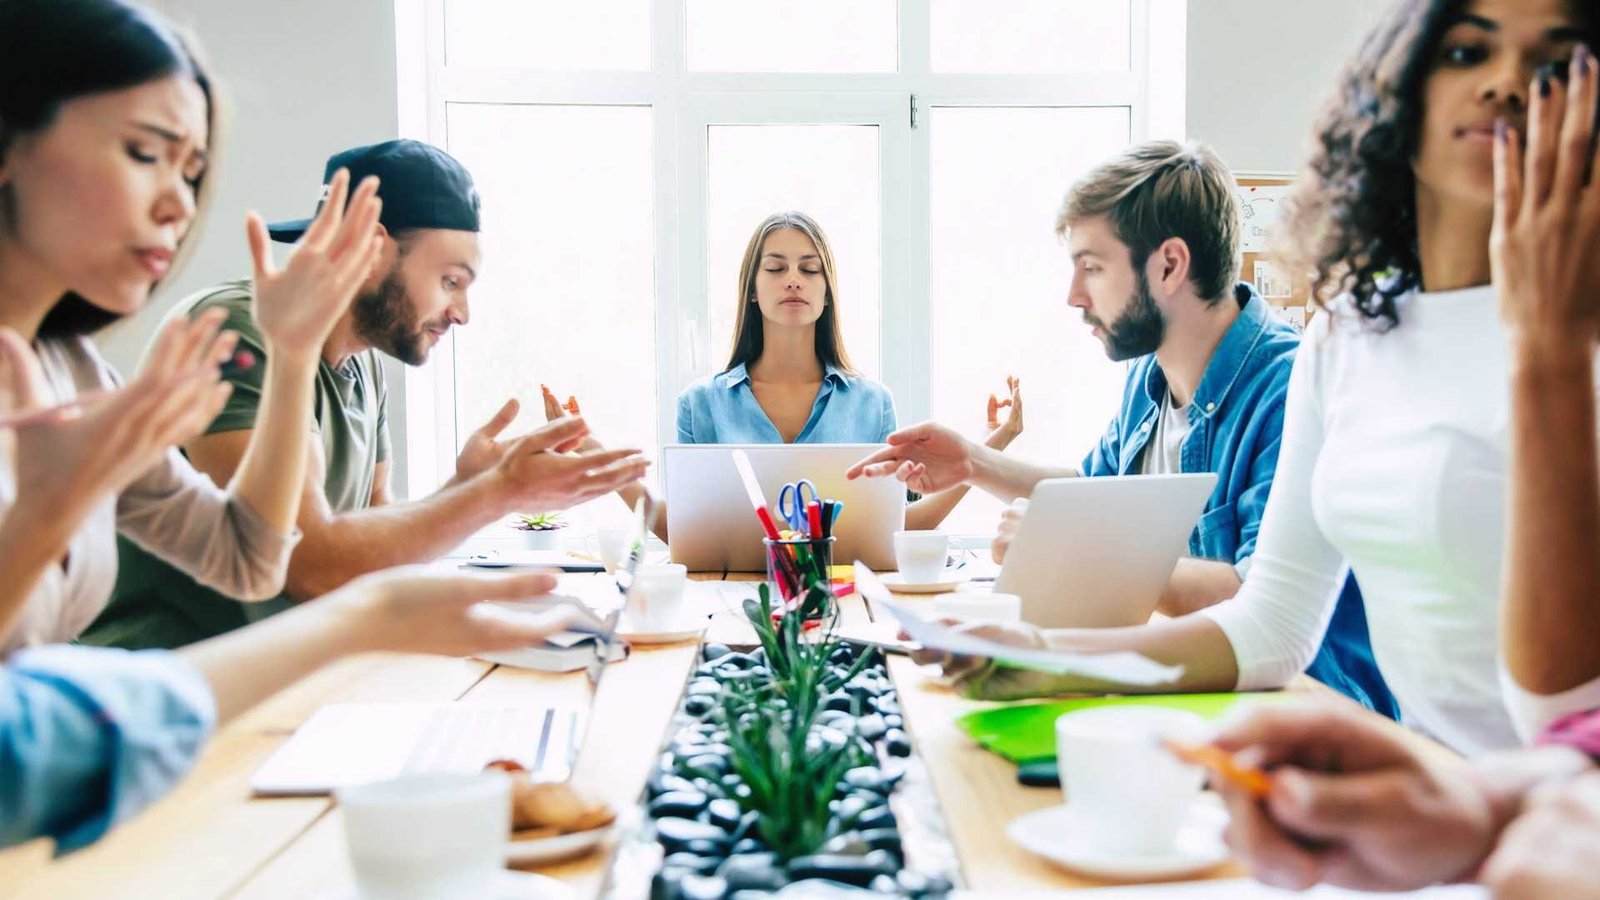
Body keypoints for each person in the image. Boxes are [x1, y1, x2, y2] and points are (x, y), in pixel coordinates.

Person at [1210, 28, 1600, 898]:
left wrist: (1547, 350)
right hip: (1464, 818)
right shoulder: (1347, 329)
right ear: (1398, 93)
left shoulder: (1564, 338)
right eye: (1468, 51)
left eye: (1551, 65)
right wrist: (1048, 654)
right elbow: (1273, 616)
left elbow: (1565, 712)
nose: (1506, 85)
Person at [851, 142, 1393, 717]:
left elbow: (1261, 603)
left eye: (1092, 267)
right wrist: (974, 463)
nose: (1073, 295)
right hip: (1192, 692)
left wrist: (1082, 552)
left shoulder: (1287, 389)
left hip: (1308, 709)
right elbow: (1092, 496)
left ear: (1169, 265)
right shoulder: (1148, 377)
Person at [85, 139, 650, 650]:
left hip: (289, 675)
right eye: (450, 281)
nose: (462, 313)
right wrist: (494, 495)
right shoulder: (238, 333)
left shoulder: (362, 364)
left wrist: (467, 485)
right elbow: (310, 565)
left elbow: (370, 530)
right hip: (172, 690)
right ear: (375, 249)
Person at [0, 0, 386, 654]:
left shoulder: (77, 371)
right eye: (144, 152)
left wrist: (291, 355)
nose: (180, 204)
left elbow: (247, 560)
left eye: (191, 171)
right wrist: (47, 513)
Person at [544, 210, 1025, 539]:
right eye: (775, 268)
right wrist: (591, 452)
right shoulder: (701, 405)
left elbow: (900, 528)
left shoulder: (872, 403)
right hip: (729, 612)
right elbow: (678, 530)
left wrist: (990, 444)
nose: (793, 279)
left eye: (809, 269)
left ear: (826, 291)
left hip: (848, 615)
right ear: (753, 289)